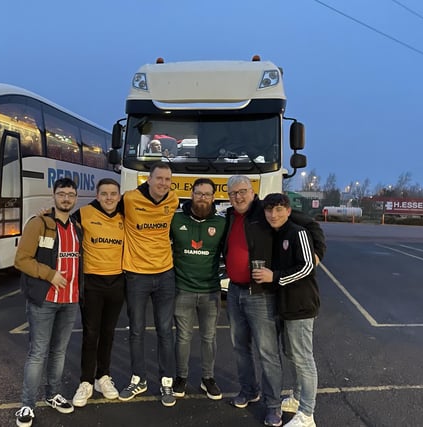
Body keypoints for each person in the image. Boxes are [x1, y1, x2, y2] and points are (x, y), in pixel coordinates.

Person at [223, 175, 325, 427]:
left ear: (252, 191)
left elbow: (310, 225)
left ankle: (273, 406)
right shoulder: (227, 216)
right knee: (240, 347)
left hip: (260, 295)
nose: (239, 196)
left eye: (243, 191)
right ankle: (249, 390)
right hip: (234, 292)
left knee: (268, 353)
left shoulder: (268, 210)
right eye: (233, 193)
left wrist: (317, 254)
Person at [14, 177, 83, 427]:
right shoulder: (39, 223)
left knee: (59, 352)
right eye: (62, 193)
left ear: (75, 198)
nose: (66, 198)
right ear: (53, 196)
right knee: (38, 353)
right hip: (44, 300)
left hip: (70, 301)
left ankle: (53, 395)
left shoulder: (77, 227)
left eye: (71, 194)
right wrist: (49, 274)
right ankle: (27, 405)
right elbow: (21, 260)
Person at [118, 161, 179, 407]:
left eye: (167, 179)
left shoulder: (173, 199)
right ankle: (138, 379)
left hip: (165, 274)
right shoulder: (129, 199)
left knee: (165, 330)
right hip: (136, 275)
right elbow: (103, 208)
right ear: (148, 179)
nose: (163, 183)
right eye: (159, 178)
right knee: (136, 330)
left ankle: (166, 381)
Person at [256, 193, 319, 427]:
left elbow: (307, 267)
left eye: (279, 209)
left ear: (289, 211)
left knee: (303, 359)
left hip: (301, 306)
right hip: (285, 305)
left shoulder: (297, 233)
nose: (274, 214)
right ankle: (297, 398)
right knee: (293, 355)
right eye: (269, 210)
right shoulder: (277, 234)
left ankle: (307, 414)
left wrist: (275, 276)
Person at [70, 178, 124, 407]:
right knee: (91, 333)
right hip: (92, 283)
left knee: (108, 332)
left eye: (113, 194)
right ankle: (85, 381)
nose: (109, 198)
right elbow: (61, 226)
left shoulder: (125, 216)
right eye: (104, 194)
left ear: (119, 196)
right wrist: (46, 216)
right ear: (97, 195)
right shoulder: (83, 214)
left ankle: (103, 376)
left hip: (118, 283)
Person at [170, 178, 226, 400]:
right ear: (191, 194)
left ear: (213, 197)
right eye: (198, 193)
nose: (202, 198)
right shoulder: (175, 219)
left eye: (207, 194)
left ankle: (208, 378)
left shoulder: (222, 222)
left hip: (211, 290)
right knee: (183, 337)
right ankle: (181, 377)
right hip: (182, 288)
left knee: (209, 336)